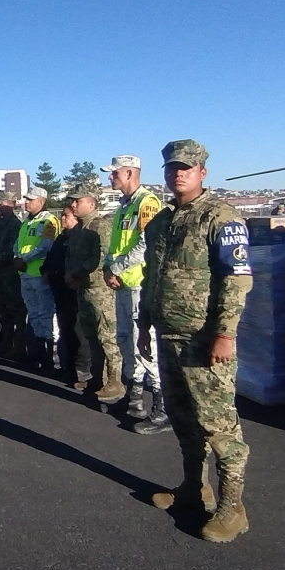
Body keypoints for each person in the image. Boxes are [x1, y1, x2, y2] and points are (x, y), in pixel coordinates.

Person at [139, 139, 254, 543]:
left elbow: (236, 280)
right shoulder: (162, 221)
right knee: (185, 419)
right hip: (168, 335)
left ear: (203, 171)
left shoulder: (220, 217)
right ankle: (194, 487)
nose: (178, 173)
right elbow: (151, 277)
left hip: (204, 339)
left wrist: (224, 334)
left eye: (187, 167)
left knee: (219, 426)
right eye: (172, 167)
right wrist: (143, 323)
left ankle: (232, 506)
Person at [100, 154, 166, 431]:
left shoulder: (147, 203)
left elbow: (144, 246)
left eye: (114, 173)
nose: (110, 178)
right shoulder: (123, 207)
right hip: (123, 284)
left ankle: (161, 407)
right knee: (126, 340)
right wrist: (108, 267)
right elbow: (115, 244)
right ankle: (134, 397)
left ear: (129, 173)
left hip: (140, 284)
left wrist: (114, 267)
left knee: (146, 345)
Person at [64, 192, 123, 402]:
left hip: (99, 289)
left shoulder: (99, 226)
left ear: (91, 203)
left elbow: (101, 258)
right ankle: (97, 377)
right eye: (72, 201)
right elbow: (71, 256)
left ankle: (114, 381)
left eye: (77, 201)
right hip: (83, 288)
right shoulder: (79, 228)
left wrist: (77, 272)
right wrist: (69, 273)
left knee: (106, 335)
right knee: (90, 334)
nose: (73, 205)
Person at [44, 205, 90, 385]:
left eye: (66, 216)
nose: (63, 219)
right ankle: (68, 367)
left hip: (73, 290)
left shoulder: (79, 237)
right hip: (59, 289)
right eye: (62, 215)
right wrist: (46, 271)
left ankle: (82, 371)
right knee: (65, 329)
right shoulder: (62, 237)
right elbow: (51, 258)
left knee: (78, 331)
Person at [14, 187, 60, 369]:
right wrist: (16, 257)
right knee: (33, 314)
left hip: (39, 274)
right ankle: (37, 351)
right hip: (25, 274)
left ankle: (49, 355)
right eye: (26, 199)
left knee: (45, 314)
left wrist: (24, 259)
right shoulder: (26, 222)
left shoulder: (48, 220)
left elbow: (46, 245)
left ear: (41, 202)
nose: (26, 202)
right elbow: (18, 244)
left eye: (30, 200)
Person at [0, 197, 26, 357]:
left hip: (9, 272)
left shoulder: (15, 224)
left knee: (15, 309)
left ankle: (19, 345)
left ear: (12, 206)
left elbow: (13, 248)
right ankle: (6, 340)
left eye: (2, 205)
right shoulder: (0, 224)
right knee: (2, 308)